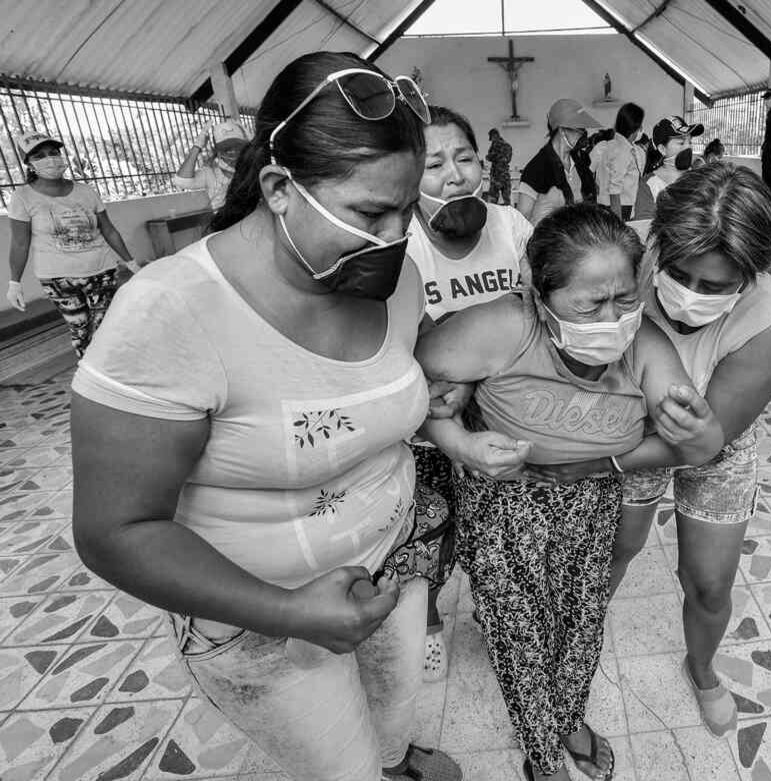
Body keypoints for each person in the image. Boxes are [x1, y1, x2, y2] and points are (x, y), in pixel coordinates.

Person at [69, 52, 474, 781]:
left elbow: (365, 398)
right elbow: (114, 531)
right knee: (340, 768)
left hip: (396, 565)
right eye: (370, 212)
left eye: (407, 208)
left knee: (390, 725)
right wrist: (287, 611)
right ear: (281, 189)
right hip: (256, 626)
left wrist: (421, 404)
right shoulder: (172, 313)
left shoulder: (400, 279)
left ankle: (396, 760)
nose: (397, 235)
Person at [416, 203, 724, 781]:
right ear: (539, 292)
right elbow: (406, 393)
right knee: (519, 636)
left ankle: (568, 717)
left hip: (590, 507)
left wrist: (698, 427)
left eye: (625, 299)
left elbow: (700, 442)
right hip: (504, 508)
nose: (613, 318)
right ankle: (542, 751)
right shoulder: (504, 327)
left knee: (579, 626)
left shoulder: (644, 344)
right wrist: (456, 434)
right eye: (591, 304)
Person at [545, 164, 771, 738]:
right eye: (679, 275)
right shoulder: (625, 259)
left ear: (751, 275)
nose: (690, 296)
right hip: (625, 426)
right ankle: (568, 651)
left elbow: (708, 443)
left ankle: (702, 668)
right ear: (657, 244)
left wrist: (592, 462)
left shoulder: (770, 317)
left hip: (712, 449)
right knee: (610, 553)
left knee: (708, 583)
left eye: (715, 287)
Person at [404, 104, 534, 680]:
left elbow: (534, 311)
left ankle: (494, 612)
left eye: (464, 158)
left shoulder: (511, 228)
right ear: (408, 176)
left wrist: (469, 377)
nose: (453, 175)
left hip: (503, 416)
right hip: (428, 426)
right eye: (433, 164)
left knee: (502, 537)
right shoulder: (401, 243)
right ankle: (428, 622)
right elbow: (388, 341)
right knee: (430, 535)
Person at [6, 130, 142, 357]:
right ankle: (90, 372)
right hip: (59, 279)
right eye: (39, 156)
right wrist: (14, 282)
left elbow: (108, 229)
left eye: (53, 152)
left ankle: (113, 369)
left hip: (102, 271)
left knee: (107, 326)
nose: (50, 159)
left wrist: (131, 262)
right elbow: (20, 243)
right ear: (29, 164)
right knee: (80, 329)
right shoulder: (22, 197)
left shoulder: (85, 191)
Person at [515, 98, 600, 225]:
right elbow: (521, 219)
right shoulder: (537, 168)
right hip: (546, 241)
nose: (583, 135)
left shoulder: (580, 164)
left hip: (576, 239)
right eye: (579, 130)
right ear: (562, 130)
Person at [631, 116, 703, 221]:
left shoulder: (698, 179)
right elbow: (644, 229)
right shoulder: (649, 185)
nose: (688, 147)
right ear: (662, 149)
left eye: (690, 142)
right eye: (681, 143)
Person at [172, 120, 250, 210]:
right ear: (218, 150)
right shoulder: (210, 173)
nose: (233, 151)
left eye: (237, 146)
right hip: (227, 220)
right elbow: (182, 181)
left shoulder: (251, 166)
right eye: (226, 148)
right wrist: (198, 146)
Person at [601, 102, 645, 220]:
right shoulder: (621, 151)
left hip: (620, 205)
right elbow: (614, 189)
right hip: (620, 207)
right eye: (640, 125)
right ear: (634, 127)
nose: (642, 129)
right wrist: (618, 220)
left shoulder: (619, 146)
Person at [484, 127, 513, 205]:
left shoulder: (495, 144)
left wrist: (487, 157)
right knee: (507, 200)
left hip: (496, 175)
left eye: (491, 137)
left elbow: (491, 157)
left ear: (494, 135)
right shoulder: (508, 145)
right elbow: (509, 159)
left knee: (493, 201)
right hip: (505, 175)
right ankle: (508, 215)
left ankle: (493, 216)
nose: (492, 140)